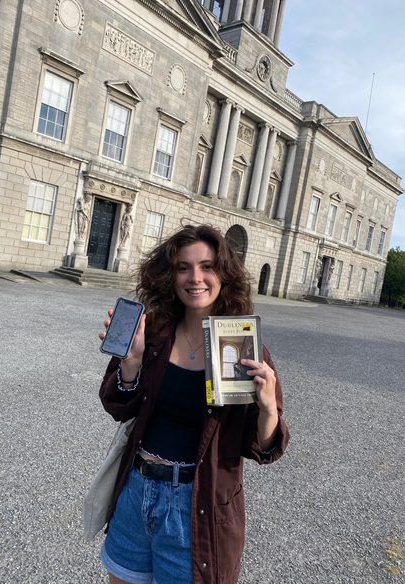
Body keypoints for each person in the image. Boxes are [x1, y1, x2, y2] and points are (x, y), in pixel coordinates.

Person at [98, 224, 289, 584]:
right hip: (136, 490)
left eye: (207, 266)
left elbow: (264, 448)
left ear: (224, 275)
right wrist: (131, 363)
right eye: (183, 267)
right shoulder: (152, 333)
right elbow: (117, 406)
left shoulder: (243, 346)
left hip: (196, 504)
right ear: (170, 276)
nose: (195, 277)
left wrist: (267, 408)